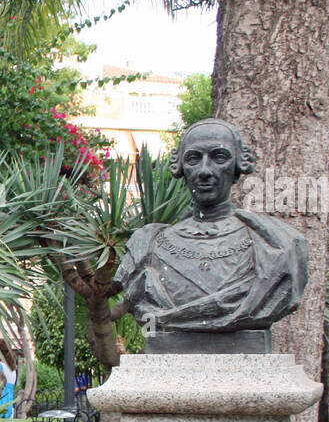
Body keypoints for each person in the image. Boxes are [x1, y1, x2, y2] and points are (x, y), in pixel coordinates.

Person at [116, 118, 309, 338]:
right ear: (180, 167)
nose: (204, 170)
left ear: (238, 165)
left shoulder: (279, 245)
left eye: (219, 157)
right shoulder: (147, 244)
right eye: (193, 159)